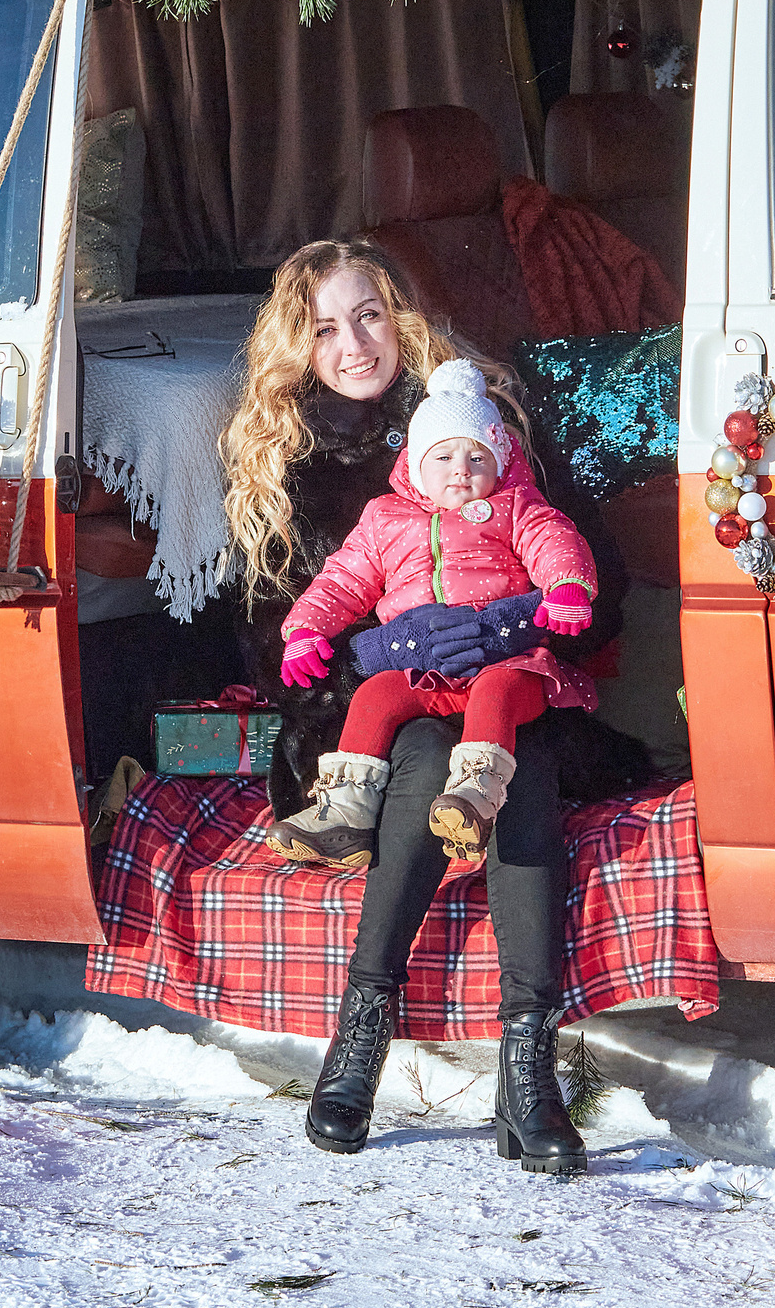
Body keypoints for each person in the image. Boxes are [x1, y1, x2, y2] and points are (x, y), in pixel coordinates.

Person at [221, 241, 618, 1174]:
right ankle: (361, 1033)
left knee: (511, 756)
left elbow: (595, 580)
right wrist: (388, 649)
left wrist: (504, 625)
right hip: (362, 717)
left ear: (398, 314)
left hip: (508, 674)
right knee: (427, 755)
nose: (353, 344)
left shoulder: (489, 421)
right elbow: (274, 640)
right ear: (298, 346)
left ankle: (528, 1068)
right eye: (325, 328)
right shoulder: (284, 457)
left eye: (367, 315)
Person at [267, 359, 598, 869]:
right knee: (376, 695)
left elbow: (553, 540)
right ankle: (347, 811)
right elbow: (345, 576)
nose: (461, 469)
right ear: (416, 465)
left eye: (477, 456)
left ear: (500, 462)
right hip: (425, 668)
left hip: (503, 660)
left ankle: (474, 797)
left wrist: (567, 586)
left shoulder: (515, 506)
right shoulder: (385, 518)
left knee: (498, 693)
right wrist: (307, 628)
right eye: (443, 456)